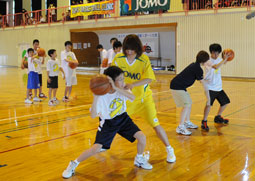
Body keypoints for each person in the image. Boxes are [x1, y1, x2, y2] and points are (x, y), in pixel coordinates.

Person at [62, 66, 152, 179]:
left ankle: (139, 159)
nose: (123, 81)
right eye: (120, 79)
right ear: (110, 80)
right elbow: (93, 115)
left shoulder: (122, 89)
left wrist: (117, 87)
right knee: (95, 148)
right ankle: (73, 164)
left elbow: (132, 97)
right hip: (108, 123)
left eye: (123, 78)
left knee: (142, 137)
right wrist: (95, 98)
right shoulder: (102, 95)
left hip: (123, 119)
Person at [112, 34, 176, 163]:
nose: (129, 52)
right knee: (113, 123)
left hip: (143, 100)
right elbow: (112, 74)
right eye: (127, 49)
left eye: (132, 49)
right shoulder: (119, 58)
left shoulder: (144, 59)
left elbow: (149, 78)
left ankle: (169, 149)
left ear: (137, 48)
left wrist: (133, 84)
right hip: (127, 100)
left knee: (155, 125)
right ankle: (102, 145)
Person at [170, 51, 209, 135]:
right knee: (186, 104)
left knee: (189, 103)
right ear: (204, 61)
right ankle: (180, 127)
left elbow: (201, 80)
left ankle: (187, 122)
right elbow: (203, 83)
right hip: (177, 86)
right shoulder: (198, 69)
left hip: (180, 86)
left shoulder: (194, 65)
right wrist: (208, 95)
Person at [201, 43, 231, 131]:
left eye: (218, 53)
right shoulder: (207, 60)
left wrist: (227, 56)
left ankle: (218, 117)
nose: (217, 55)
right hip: (210, 87)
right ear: (212, 52)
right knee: (209, 104)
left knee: (225, 102)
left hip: (218, 87)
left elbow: (223, 63)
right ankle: (204, 121)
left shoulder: (218, 59)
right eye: (216, 53)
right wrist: (224, 59)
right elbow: (216, 67)